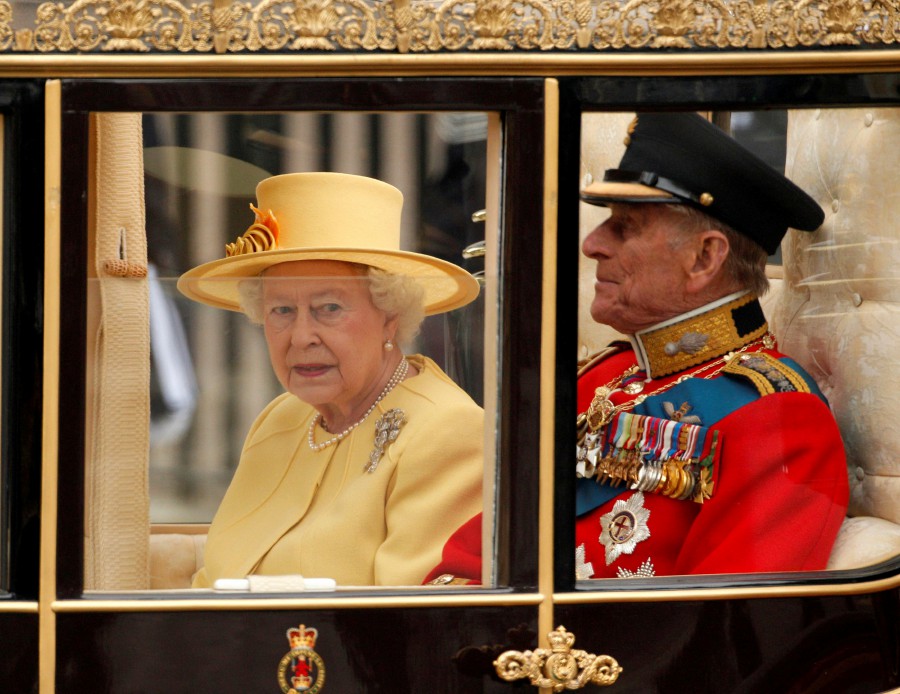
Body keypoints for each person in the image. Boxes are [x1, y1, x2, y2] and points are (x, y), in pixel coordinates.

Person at [426, 112, 849, 583]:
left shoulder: (780, 418)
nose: (591, 244)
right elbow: (474, 557)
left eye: (624, 227)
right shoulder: (602, 378)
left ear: (704, 258)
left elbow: (723, 633)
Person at [178, 172, 484, 587]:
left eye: (329, 307)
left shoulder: (448, 431)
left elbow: (414, 625)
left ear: (389, 317)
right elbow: (212, 580)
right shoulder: (282, 417)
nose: (301, 337)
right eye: (281, 310)